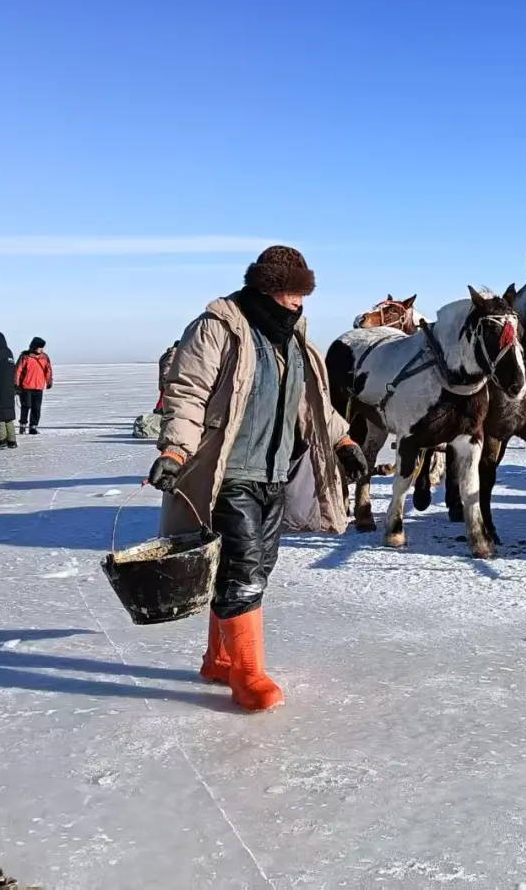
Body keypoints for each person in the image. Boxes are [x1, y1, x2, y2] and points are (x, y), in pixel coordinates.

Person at [146, 246, 368, 713]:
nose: (298, 303)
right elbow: (188, 392)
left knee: (254, 566)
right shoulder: (219, 327)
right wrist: (175, 449)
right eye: (291, 293)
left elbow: (310, 402)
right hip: (229, 471)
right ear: (266, 288)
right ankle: (247, 673)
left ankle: (218, 659)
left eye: (303, 294)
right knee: (244, 570)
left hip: (275, 471)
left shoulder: (293, 338)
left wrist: (343, 440)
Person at [14, 337, 53, 435]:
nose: (41, 349)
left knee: (36, 408)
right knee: (26, 406)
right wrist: (16, 384)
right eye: (39, 347)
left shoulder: (45, 357)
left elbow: (48, 370)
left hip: (39, 387)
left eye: (42, 347)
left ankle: (33, 427)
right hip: (26, 387)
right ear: (34, 346)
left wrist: (49, 381)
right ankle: (23, 425)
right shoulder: (25, 356)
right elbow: (17, 371)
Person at [155, 340, 179, 412]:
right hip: (167, 380)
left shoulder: (166, 355)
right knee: (164, 397)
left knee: (163, 397)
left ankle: (161, 410)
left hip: (164, 380)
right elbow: (168, 366)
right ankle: (159, 411)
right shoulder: (173, 354)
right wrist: (167, 378)